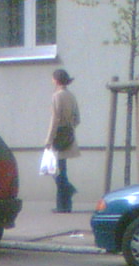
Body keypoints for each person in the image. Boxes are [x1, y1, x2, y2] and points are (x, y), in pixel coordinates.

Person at [46, 69, 80, 213]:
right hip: (68, 134)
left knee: (55, 171)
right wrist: (70, 128)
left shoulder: (57, 96)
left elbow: (55, 119)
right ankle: (66, 204)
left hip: (58, 135)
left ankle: (65, 198)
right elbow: (77, 119)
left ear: (56, 80)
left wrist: (49, 139)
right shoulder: (71, 96)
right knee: (61, 169)